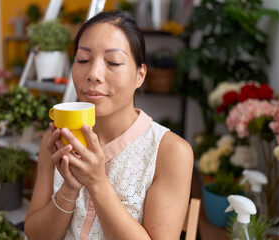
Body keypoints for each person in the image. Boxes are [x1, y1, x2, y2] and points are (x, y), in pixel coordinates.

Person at [24, 10, 193, 240]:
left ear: (140, 75)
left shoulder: (171, 152)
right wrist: (69, 189)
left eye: (113, 62)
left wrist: (96, 182)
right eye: (83, 60)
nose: (93, 74)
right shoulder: (55, 139)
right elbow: (35, 235)